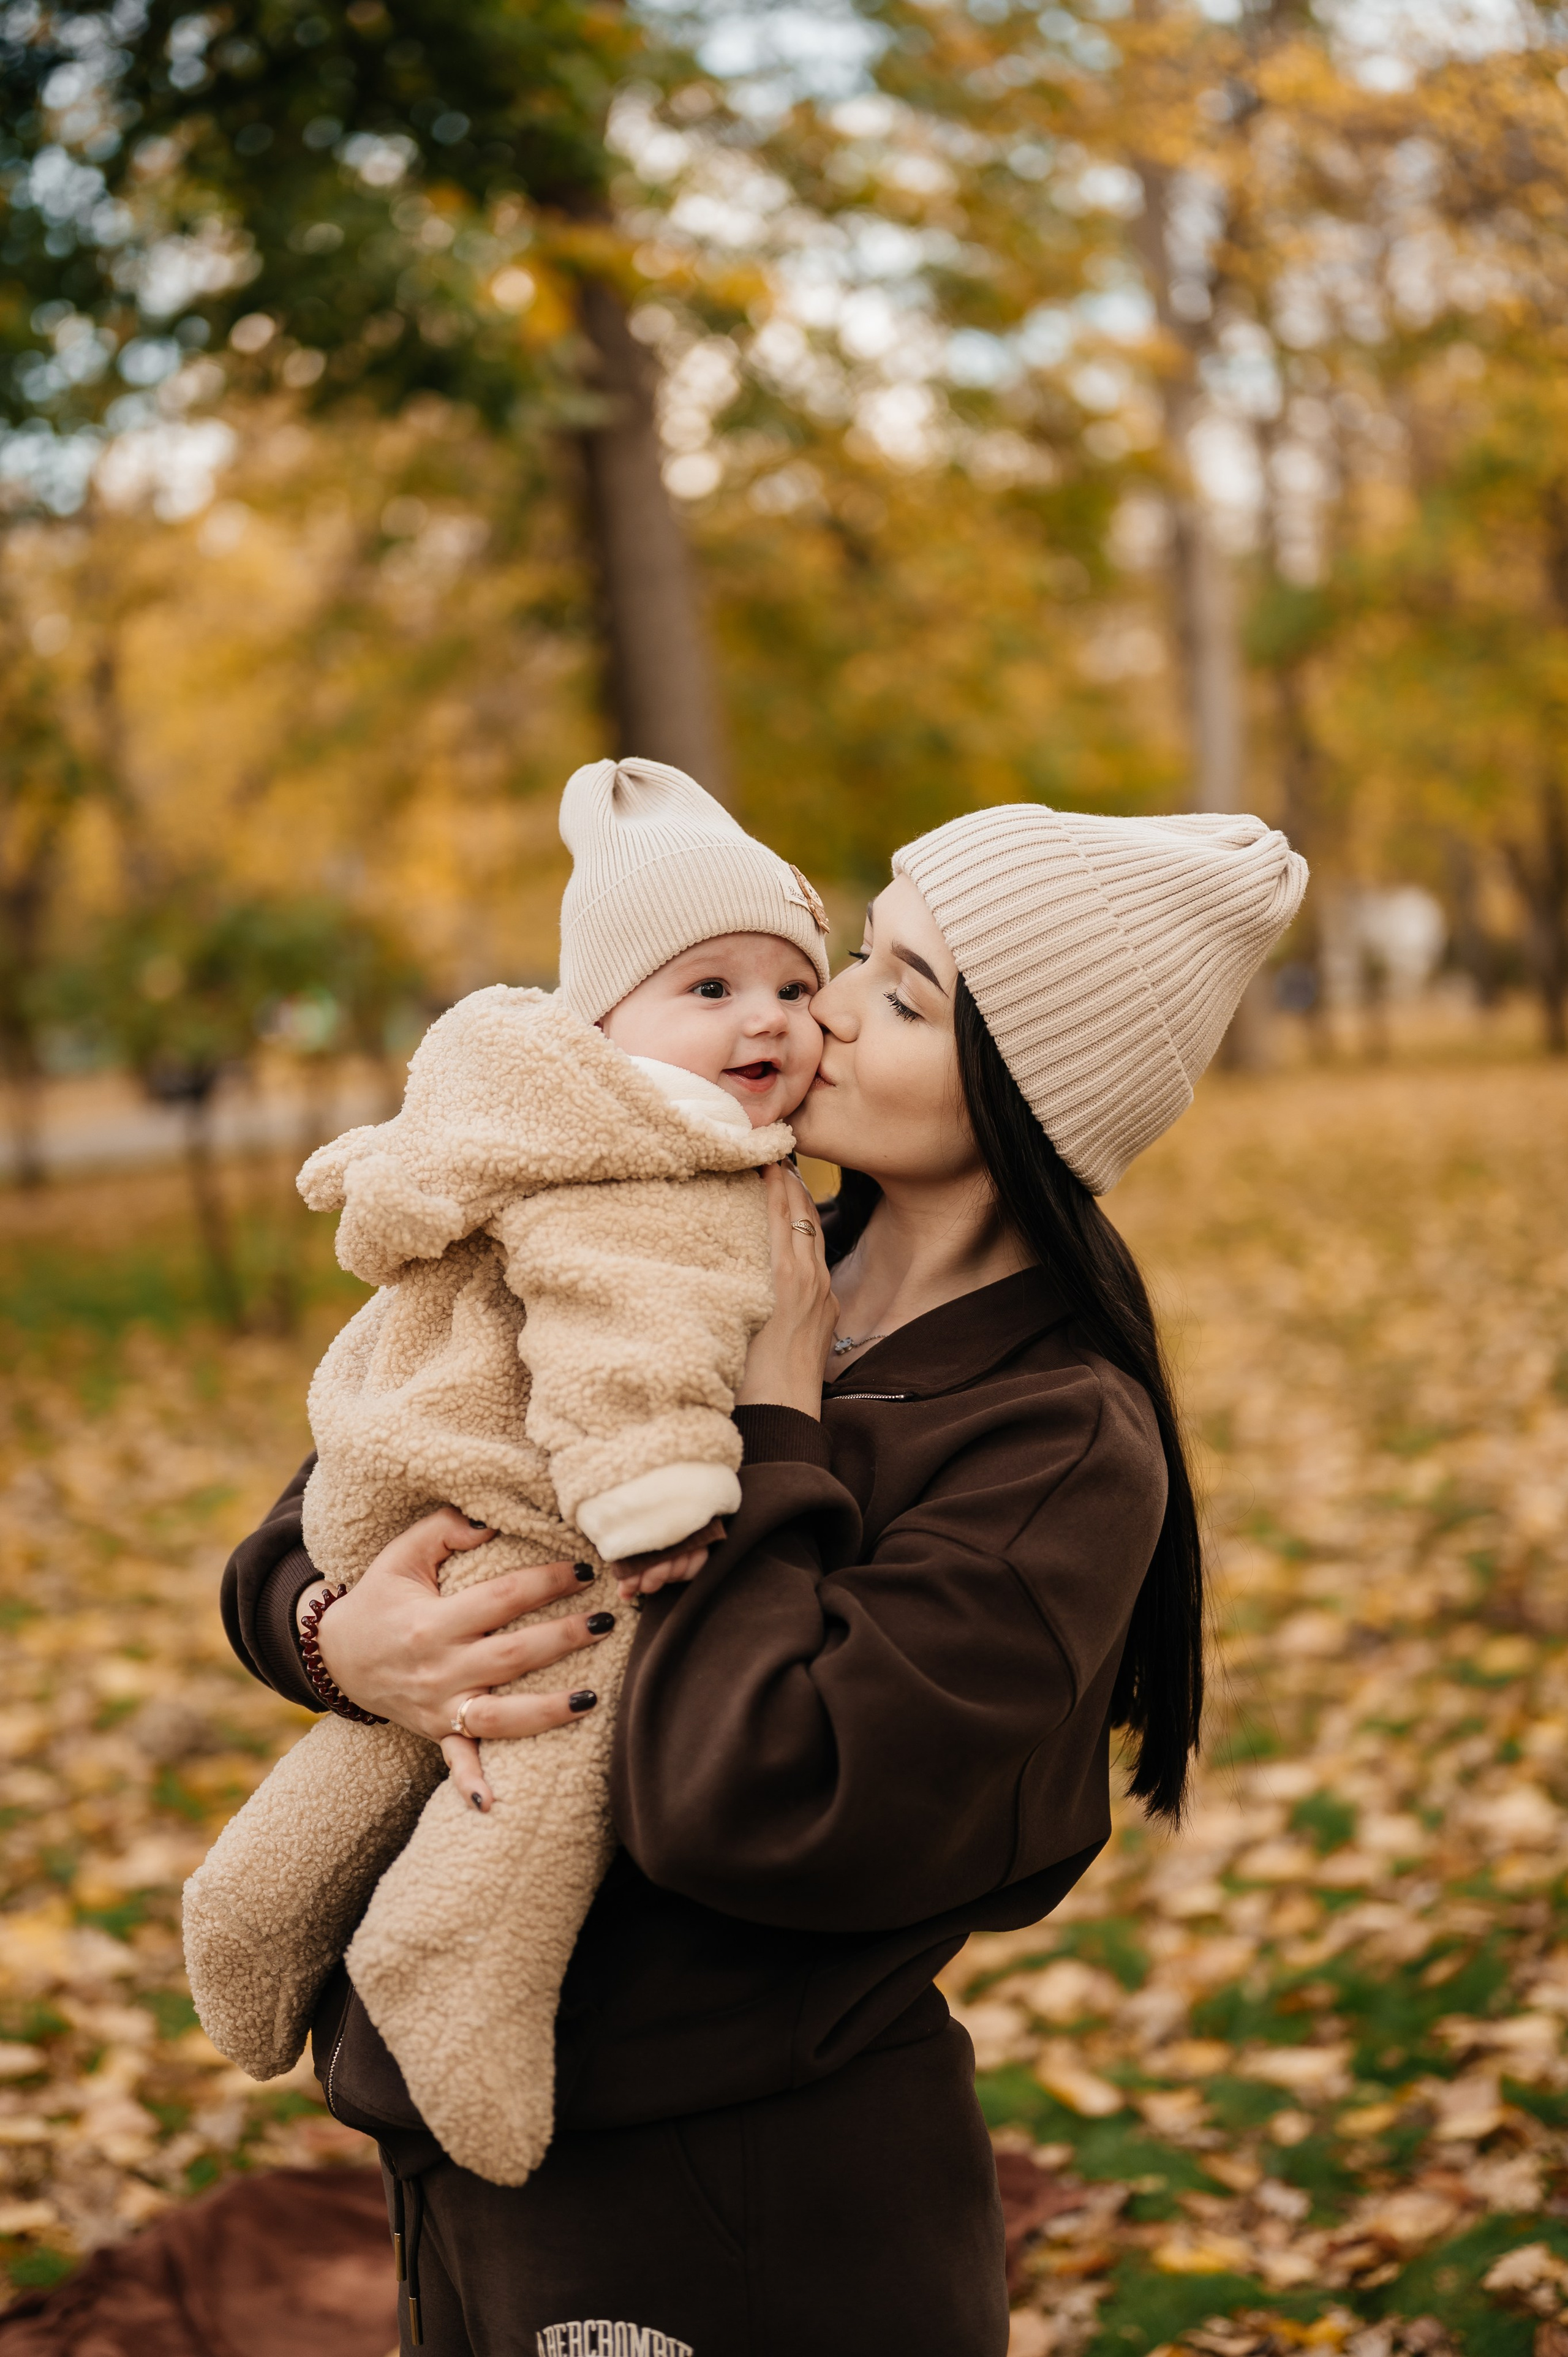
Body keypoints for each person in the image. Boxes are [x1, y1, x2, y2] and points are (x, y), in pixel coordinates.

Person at [222, 799, 1308, 2357]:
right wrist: (344, 1640)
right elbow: (351, 1490)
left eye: (904, 996)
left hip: (732, 2199)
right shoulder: (696, 1230)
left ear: (1026, 1094)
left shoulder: (1053, 1441)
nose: (826, 1008)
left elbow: (749, 1795)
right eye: (859, 952)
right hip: (458, 2162)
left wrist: (776, 1430)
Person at [186, 758, 831, 2192]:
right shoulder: (657, 1167)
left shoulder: (535, 1131)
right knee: (552, 1738)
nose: (769, 1020)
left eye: (796, 986)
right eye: (710, 987)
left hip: (414, 1506)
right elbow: (621, 1332)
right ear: (604, 1020)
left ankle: (248, 1910)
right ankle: (446, 1959)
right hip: (556, 1525)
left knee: (378, 1747)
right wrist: (656, 1490)